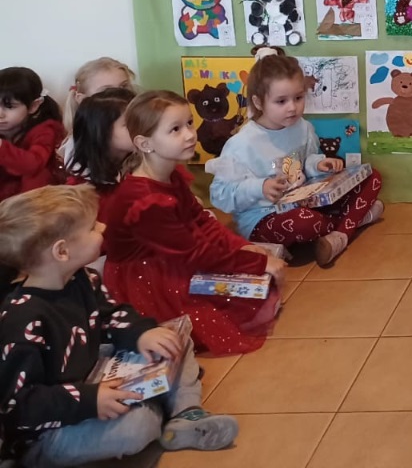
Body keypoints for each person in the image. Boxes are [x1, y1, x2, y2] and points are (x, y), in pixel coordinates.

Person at [0, 184, 238, 465]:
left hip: (93, 376)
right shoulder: (21, 318)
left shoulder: (82, 278)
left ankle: (185, 412)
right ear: (62, 251)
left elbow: (110, 315)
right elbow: (19, 404)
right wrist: (90, 400)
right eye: (92, 227)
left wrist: (140, 334)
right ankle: (159, 404)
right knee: (137, 428)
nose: (102, 227)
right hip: (52, 432)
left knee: (172, 338)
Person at [100, 91, 285, 356]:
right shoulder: (146, 200)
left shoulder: (169, 173)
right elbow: (197, 253)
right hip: (144, 276)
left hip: (173, 255)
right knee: (222, 311)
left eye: (189, 123)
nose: (189, 134)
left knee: (251, 283)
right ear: (145, 143)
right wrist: (257, 263)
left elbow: (200, 221)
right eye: (175, 129)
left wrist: (240, 246)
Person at [208, 50, 383, 267]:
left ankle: (338, 234)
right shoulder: (241, 144)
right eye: (281, 101)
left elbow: (305, 162)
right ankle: (353, 220)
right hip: (265, 218)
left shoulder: (303, 127)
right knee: (303, 222)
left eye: (298, 98)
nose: (292, 107)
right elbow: (220, 195)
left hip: (306, 202)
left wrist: (319, 164)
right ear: (259, 102)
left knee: (372, 177)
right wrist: (260, 187)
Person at [0, 66, 66, 203]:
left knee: (38, 173)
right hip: (5, 195)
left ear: (34, 106)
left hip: (33, 199)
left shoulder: (45, 130)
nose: (0, 114)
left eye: (9, 106)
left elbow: (33, 165)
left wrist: (1, 147)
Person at [61, 57, 137, 167]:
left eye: (124, 86)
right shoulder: (76, 149)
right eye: (107, 91)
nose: (120, 95)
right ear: (82, 100)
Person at [65, 87, 137, 193]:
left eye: (141, 120)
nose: (142, 127)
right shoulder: (81, 190)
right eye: (129, 123)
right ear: (103, 131)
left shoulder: (144, 162)